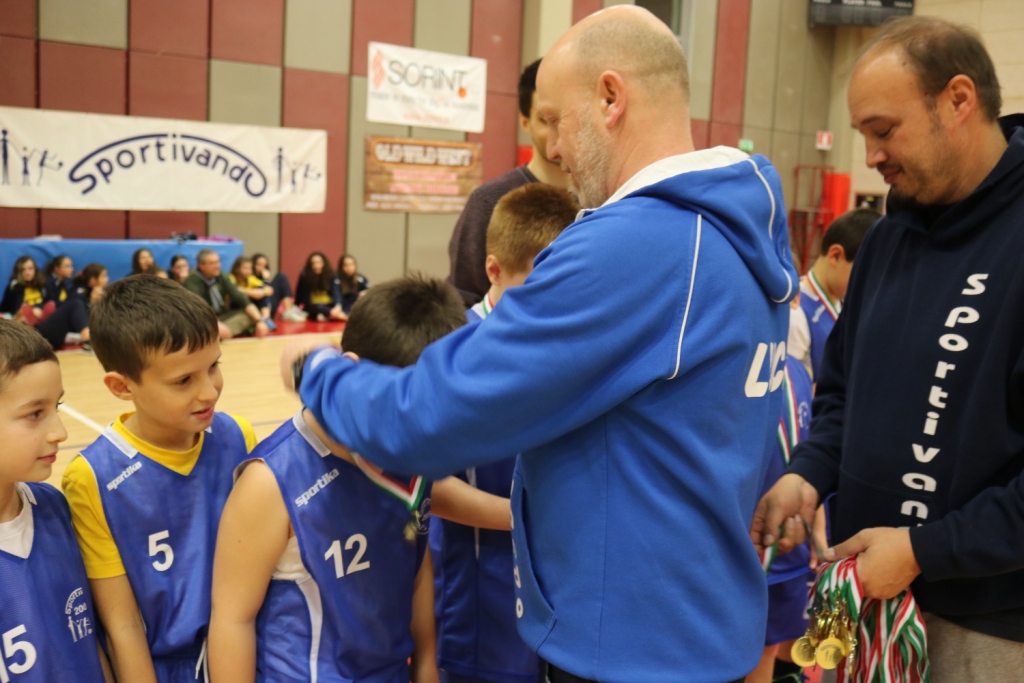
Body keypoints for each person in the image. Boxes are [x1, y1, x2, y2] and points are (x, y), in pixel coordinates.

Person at [282, 7, 795, 683]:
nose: (550, 148)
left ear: (610, 98)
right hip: (701, 619)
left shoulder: (634, 244)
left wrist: (320, 371)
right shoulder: (740, 225)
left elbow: (431, 418)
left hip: (633, 651)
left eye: (554, 119)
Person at [751, 16, 1024, 681]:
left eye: (883, 130)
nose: (871, 156)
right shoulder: (885, 239)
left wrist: (925, 549)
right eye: (863, 135)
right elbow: (842, 393)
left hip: (983, 622)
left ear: (958, 100)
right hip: (859, 593)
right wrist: (807, 472)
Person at [209, 275, 465, 683]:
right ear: (349, 374)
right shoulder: (269, 482)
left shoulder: (408, 456)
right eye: (400, 410)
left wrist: (426, 663)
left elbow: (416, 563)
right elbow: (232, 620)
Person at [61, 275, 257, 683]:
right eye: (184, 380)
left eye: (214, 367)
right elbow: (124, 626)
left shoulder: (238, 436)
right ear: (121, 386)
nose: (209, 392)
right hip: (165, 668)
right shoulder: (91, 477)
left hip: (248, 651)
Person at [431, 183, 578, 683]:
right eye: (538, 283)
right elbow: (430, 486)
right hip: (481, 596)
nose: (553, 298)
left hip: (562, 593)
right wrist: (526, 520)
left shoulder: (576, 344)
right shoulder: (450, 353)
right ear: (493, 270)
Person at [0, 320, 113, 683]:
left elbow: (90, 642)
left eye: (57, 407)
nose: (60, 432)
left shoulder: (54, 507)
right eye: (35, 414)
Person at [447, 58, 570, 306]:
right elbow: (462, 302)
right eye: (545, 120)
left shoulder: (604, 197)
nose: (558, 133)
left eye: (564, 117)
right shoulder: (488, 202)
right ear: (525, 122)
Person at [788, 209, 877, 380]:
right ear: (835, 256)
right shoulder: (795, 313)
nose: (868, 285)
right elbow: (793, 389)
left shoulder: (844, 303)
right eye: (864, 274)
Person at [184, 250, 270, 340]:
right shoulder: (192, 281)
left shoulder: (222, 276)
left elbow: (241, 298)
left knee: (250, 315)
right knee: (199, 325)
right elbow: (199, 309)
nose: (217, 266)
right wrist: (216, 323)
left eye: (218, 262)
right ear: (201, 265)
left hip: (222, 315)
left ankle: (217, 334)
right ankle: (215, 333)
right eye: (212, 263)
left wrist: (260, 321)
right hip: (203, 319)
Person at [0, 256, 54, 326]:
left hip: (41, 315)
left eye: (30, 268)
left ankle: (39, 322)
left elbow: (48, 302)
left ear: (35, 269)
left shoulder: (42, 285)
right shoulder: (15, 286)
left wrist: (38, 309)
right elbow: (7, 308)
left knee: (50, 306)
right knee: (24, 309)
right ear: (18, 272)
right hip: (21, 319)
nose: (27, 273)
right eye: (23, 270)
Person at [228, 256, 277, 331]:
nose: (248, 271)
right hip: (233, 305)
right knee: (244, 296)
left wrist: (264, 283)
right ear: (237, 269)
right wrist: (253, 293)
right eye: (245, 268)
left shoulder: (250, 278)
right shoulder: (231, 278)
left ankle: (266, 318)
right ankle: (261, 320)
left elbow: (270, 290)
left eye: (250, 269)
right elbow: (235, 290)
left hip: (248, 305)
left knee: (262, 292)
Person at [295, 251, 345, 321]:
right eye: (313, 263)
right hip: (312, 307)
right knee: (318, 307)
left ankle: (331, 315)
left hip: (329, 306)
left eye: (319, 262)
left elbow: (336, 292)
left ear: (324, 263)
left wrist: (338, 306)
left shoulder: (332, 275)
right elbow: (299, 295)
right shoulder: (305, 276)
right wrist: (295, 308)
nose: (316, 266)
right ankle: (339, 316)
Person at [251, 253, 302, 321]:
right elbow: (264, 292)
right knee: (266, 290)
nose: (262, 268)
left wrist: (265, 280)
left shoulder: (263, 278)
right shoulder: (250, 277)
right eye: (259, 264)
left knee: (281, 276)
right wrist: (266, 279)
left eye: (265, 266)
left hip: (270, 305)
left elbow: (269, 292)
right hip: (259, 309)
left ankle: (288, 311)